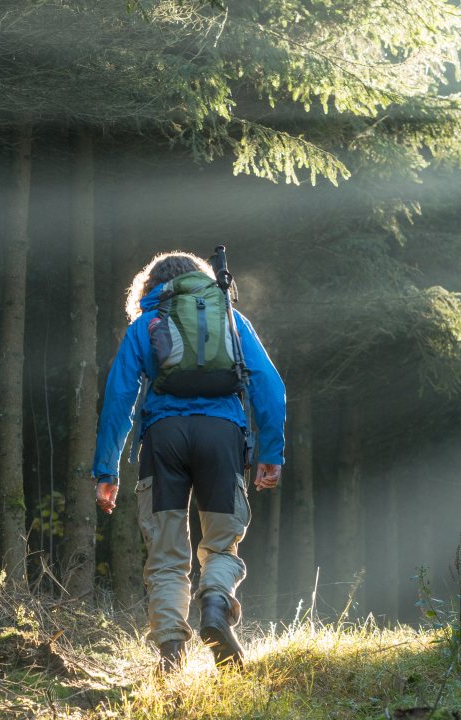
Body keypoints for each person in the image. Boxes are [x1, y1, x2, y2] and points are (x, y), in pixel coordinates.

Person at [92, 251, 286, 672]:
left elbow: (119, 399)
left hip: (163, 440)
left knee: (166, 554)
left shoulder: (145, 323)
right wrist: (271, 452)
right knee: (221, 544)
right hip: (222, 438)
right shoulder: (230, 319)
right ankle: (215, 606)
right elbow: (270, 387)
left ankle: (170, 655)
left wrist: (107, 469)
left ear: (151, 286)